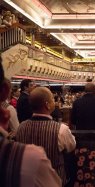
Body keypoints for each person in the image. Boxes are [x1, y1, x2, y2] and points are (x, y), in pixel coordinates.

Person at [0, 59, 61, 187]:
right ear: (5, 91)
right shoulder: (31, 158)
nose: (34, 86)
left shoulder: (22, 127)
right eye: (32, 84)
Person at [16, 87, 76, 185]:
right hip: (55, 180)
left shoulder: (21, 127)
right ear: (47, 105)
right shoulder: (61, 129)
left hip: (28, 181)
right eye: (52, 99)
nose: (54, 102)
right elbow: (71, 146)